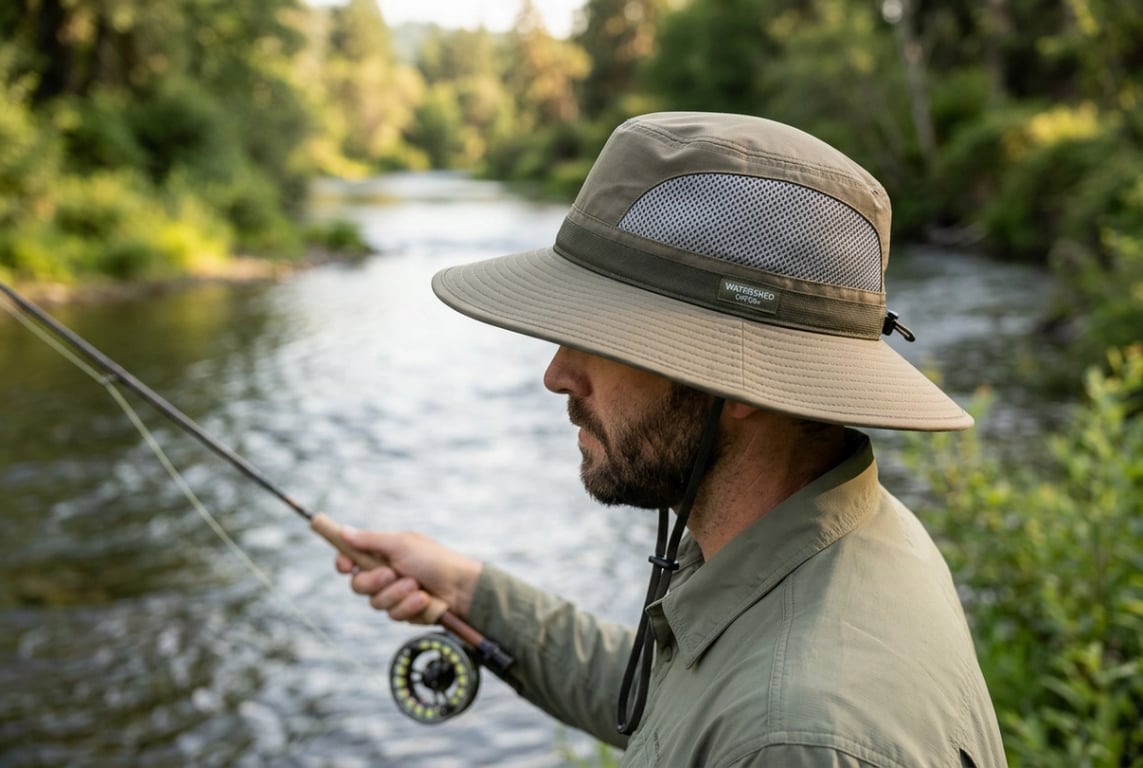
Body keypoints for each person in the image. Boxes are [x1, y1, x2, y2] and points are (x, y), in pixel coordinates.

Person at [335, 112, 1007, 766]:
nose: (556, 374)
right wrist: (470, 592)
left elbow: (751, 723)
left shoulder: (792, 739)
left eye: (603, 338)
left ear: (742, 384)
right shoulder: (818, 538)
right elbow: (670, 706)